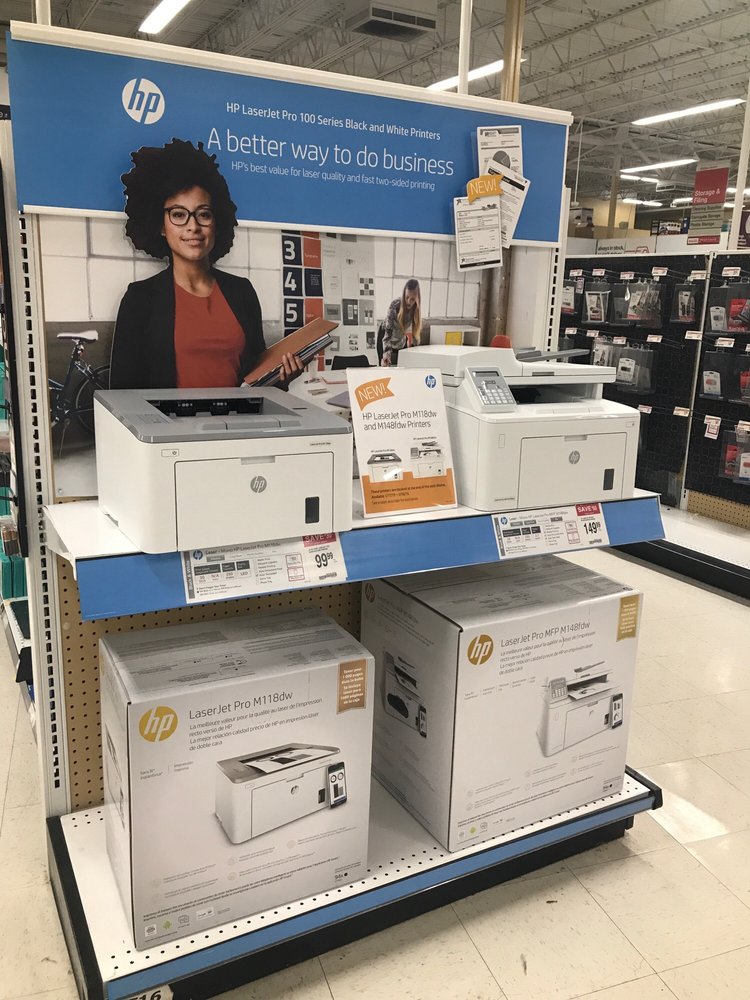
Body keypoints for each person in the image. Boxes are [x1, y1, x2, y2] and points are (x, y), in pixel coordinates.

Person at [109, 138, 302, 390]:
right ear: (160, 225)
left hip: (239, 417)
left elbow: (256, 380)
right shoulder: (140, 298)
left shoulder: (242, 292)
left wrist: (280, 378)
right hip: (166, 418)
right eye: (179, 214)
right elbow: (121, 393)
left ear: (217, 222)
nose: (193, 226)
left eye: (204, 214)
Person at [380, 279, 422, 367]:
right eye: (407, 297)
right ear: (404, 294)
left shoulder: (416, 310)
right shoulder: (395, 305)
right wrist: (386, 355)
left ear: (417, 299)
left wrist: (416, 354)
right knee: (385, 365)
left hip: (401, 338)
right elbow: (388, 335)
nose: (409, 302)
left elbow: (415, 336)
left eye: (413, 299)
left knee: (402, 367)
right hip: (386, 336)